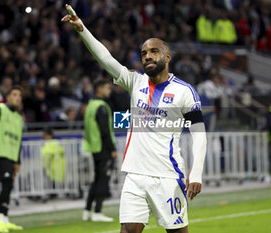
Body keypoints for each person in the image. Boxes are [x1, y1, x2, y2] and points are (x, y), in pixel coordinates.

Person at [62, 4, 207, 233]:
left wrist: (196, 172)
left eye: (154, 51)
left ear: (167, 56)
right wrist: (82, 29)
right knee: (128, 231)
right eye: (144, 53)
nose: (147, 56)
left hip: (167, 176)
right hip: (135, 175)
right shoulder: (136, 82)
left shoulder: (184, 91)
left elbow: (199, 134)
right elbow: (106, 59)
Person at [0, 86, 24, 233]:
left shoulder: (19, 118)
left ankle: (5, 219)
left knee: (9, 186)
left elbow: (19, 141)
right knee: (6, 184)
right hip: (1, 153)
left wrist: (18, 161)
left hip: (12, 156)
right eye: (14, 95)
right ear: (7, 97)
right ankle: (0, 219)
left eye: (19, 95)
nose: (17, 98)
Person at [83, 78, 117, 222]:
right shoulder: (102, 106)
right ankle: (97, 212)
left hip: (94, 147)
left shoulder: (90, 105)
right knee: (103, 179)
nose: (109, 90)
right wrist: (112, 149)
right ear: (99, 89)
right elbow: (105, 131)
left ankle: (87, 211)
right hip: (103, 148)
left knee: (96, 179)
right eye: (107, 88)